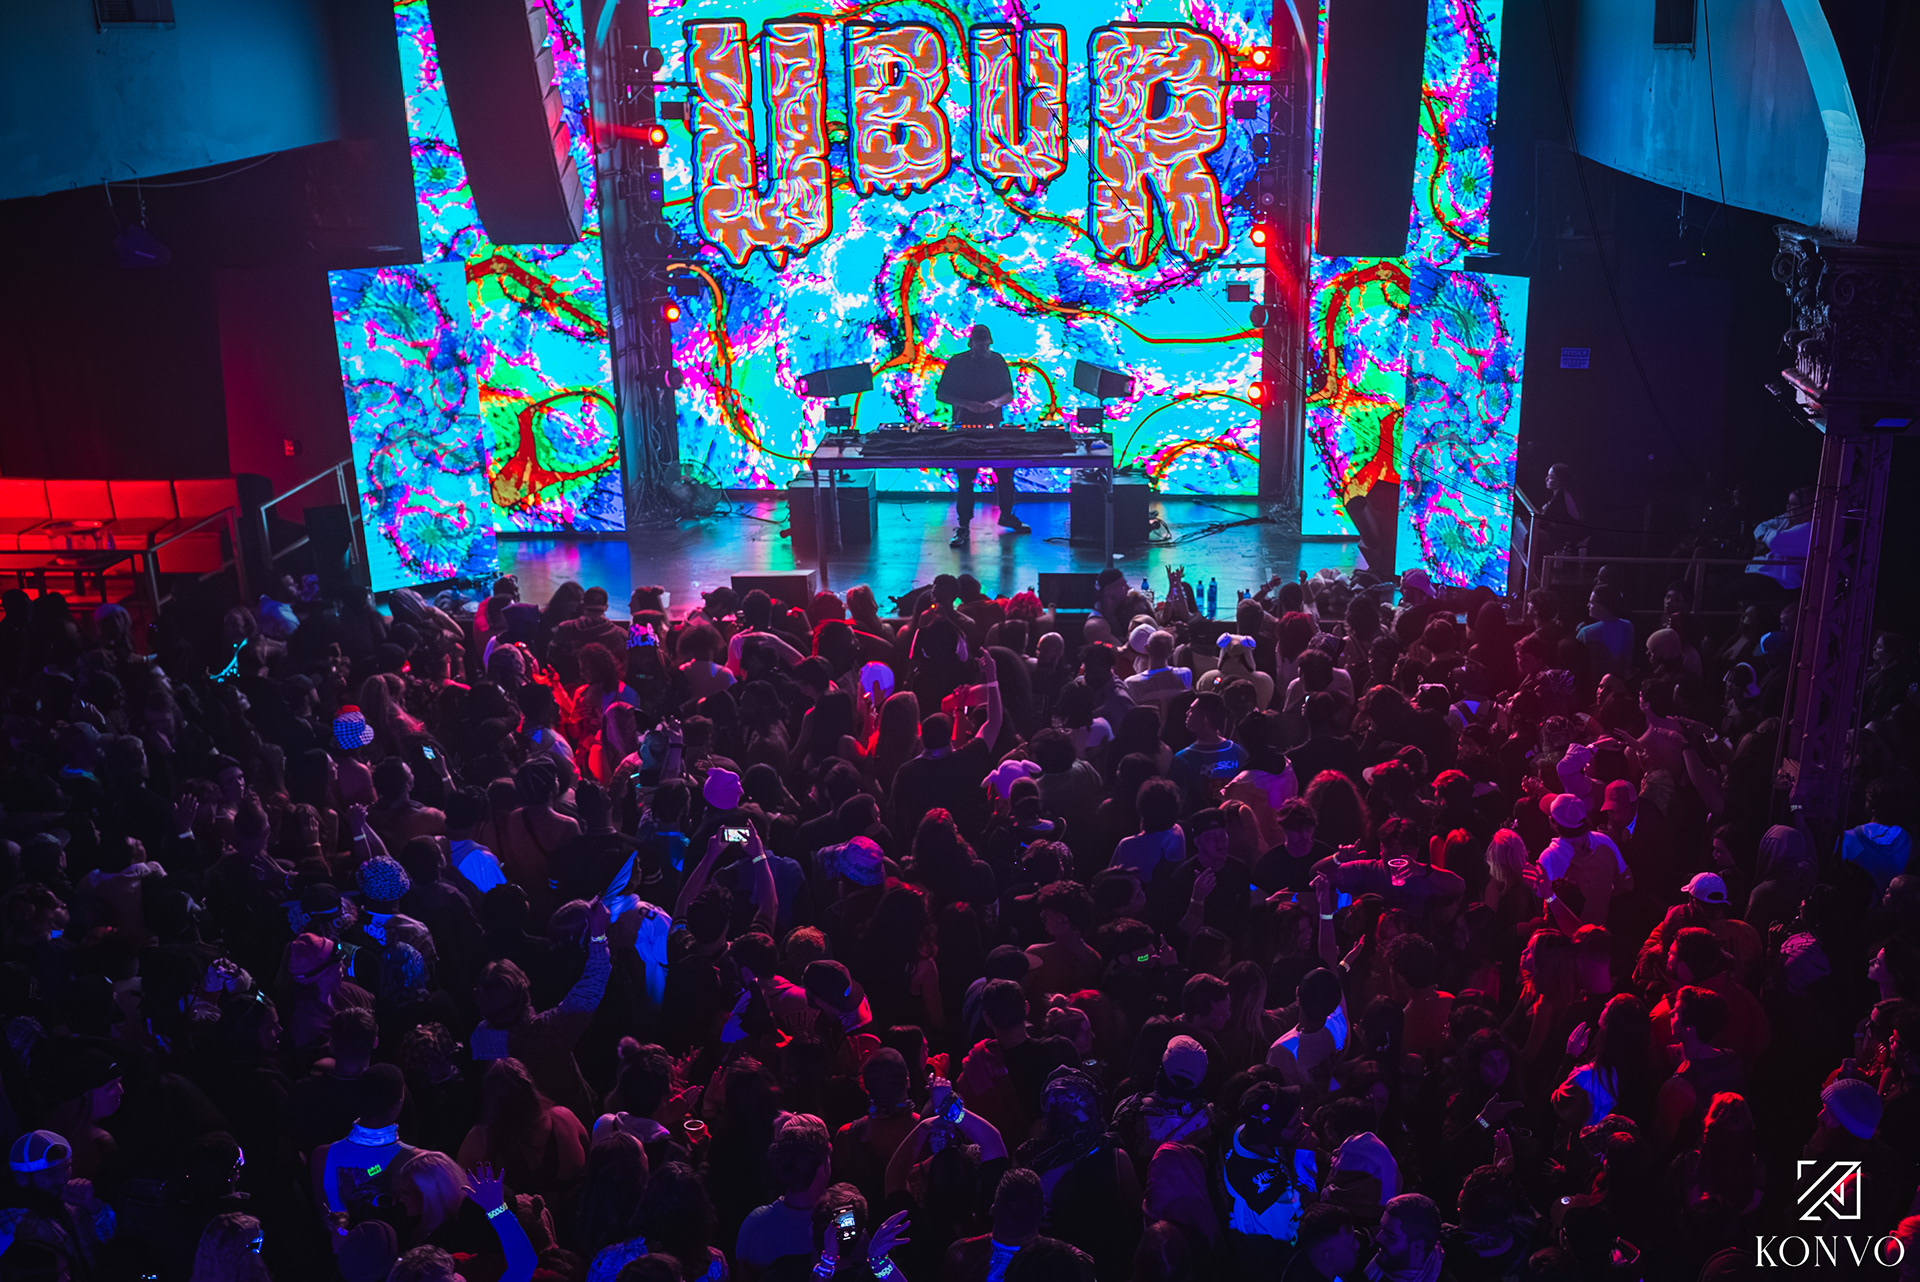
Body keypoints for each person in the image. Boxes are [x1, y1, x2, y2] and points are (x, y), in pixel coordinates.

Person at [934, 323, 1024, 545]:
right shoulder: (957, 362)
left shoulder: (997, 361)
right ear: (971, 343)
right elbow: (942, 394)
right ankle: (964, 525)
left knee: (1005, 472)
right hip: (964, 425)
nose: (983, 347)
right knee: (966, 476)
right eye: (979, 343)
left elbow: (1009, 393)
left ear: (989, 342)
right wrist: (967, 404)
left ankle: (1006, 514)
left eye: (986, 343)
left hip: (994, 425)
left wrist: (994, 403)